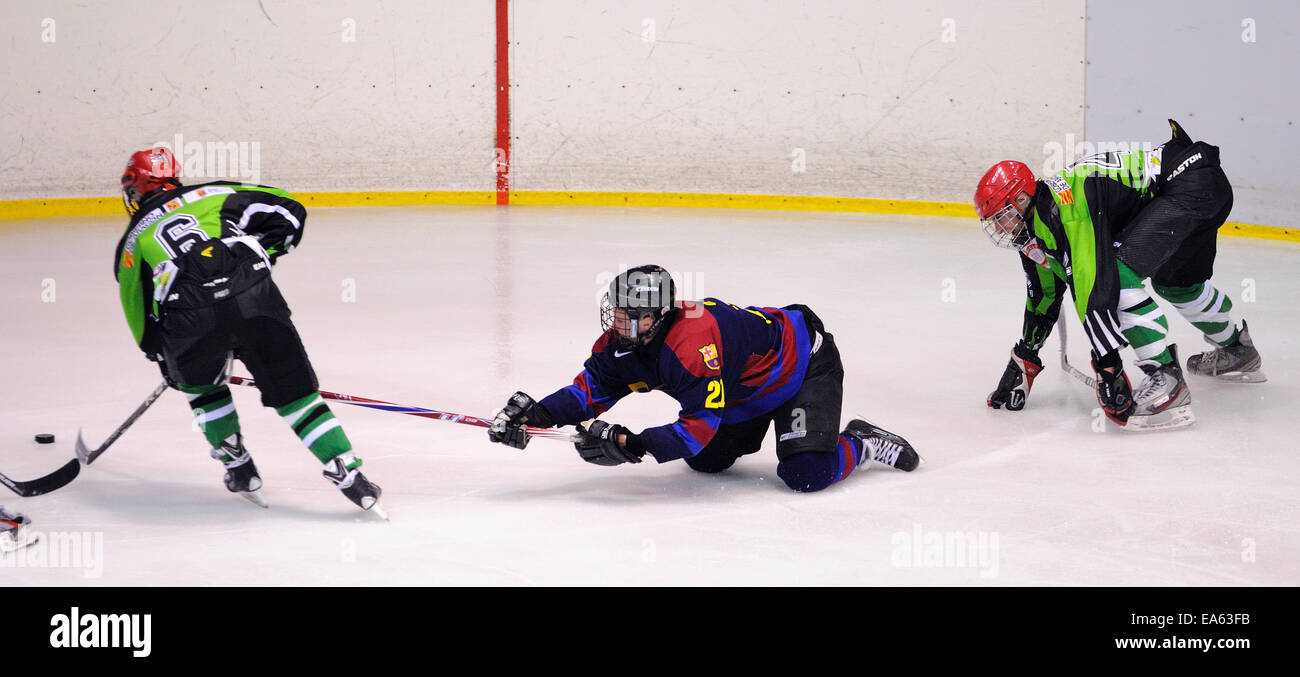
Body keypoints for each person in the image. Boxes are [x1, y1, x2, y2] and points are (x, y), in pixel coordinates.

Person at [115, 147, 384, 515]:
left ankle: (239, 468)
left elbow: (136, 306)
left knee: (203, 388)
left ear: (140, 186)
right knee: (296, 395)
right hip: (254, 296)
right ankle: (348, 473)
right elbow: (290, 208)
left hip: (190, 319)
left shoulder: (131, 241)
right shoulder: (215, 193)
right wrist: (263, 251)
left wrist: (161, 355)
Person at [486, 265, 919, 492]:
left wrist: (632, 445)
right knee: (707, 463)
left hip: (802, 366)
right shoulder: (625, 340)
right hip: (744, 387)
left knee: (806, 473)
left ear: (658, 316)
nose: (617, 323)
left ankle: (860, 443)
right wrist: (537, 415)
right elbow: (590, 391)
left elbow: (696, 428)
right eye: (615, 312)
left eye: (629, 317)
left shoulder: (693, 345)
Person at [975, 119, 1264, 431]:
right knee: (1176, 285)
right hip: (1202, 183)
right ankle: (1239, 349)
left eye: (1001, 217)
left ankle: (1166, 379)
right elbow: (1045, 295)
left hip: (1188, 185)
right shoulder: (1039, 222)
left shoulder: (1067, 207)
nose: (1000, 228)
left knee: (1116, 273)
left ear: (1021, 200)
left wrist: (1108, 365)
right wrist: (1025, 359)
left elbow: (1092, 284)